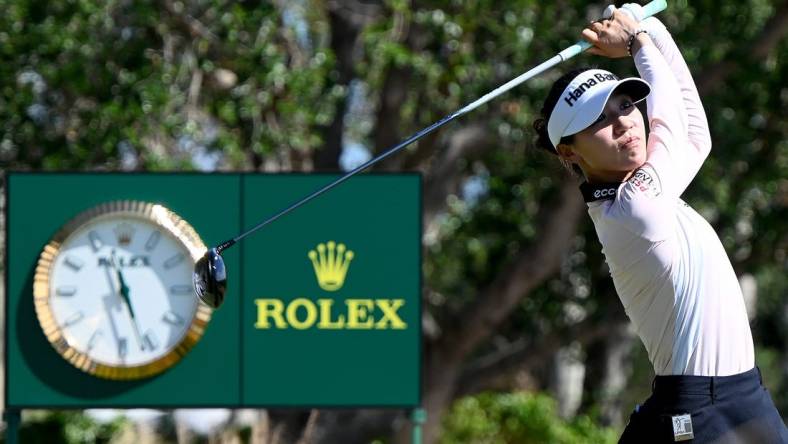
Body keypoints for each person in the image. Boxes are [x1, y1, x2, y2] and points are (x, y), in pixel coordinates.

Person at [531, 5, 788, 443]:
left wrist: (649, 26)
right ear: (569, 152)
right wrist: (637, 43)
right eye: (597, 120)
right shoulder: (634, 207)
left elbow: (694, 134)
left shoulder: (650, 190)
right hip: (697, 412)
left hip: (745, 395)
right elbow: (671, 122)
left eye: (626, 104)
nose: (623, 123)